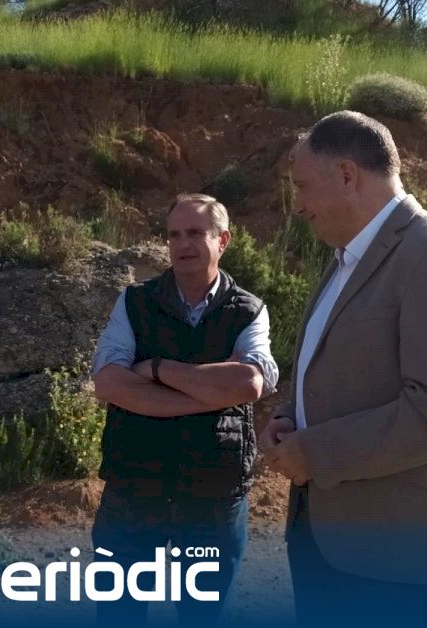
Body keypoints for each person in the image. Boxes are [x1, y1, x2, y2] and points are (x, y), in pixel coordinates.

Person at [263, 111, 427, 626]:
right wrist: (290, 418)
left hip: (403, 564)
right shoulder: (347, 260)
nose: (297, 205)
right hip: (330, 543)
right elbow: (338, 373)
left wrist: (316, 451)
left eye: (302, 186)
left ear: (348, 175)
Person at [90, 193, 279, 626]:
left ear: (223, 240)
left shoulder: (249, 310)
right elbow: (109, 383)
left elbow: (249, 383)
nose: (182, 244)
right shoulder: (134, 302)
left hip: (212, 501)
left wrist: (157, 368)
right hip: (134, 493)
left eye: (195, 233)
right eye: (174, 234)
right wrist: (207, 395)